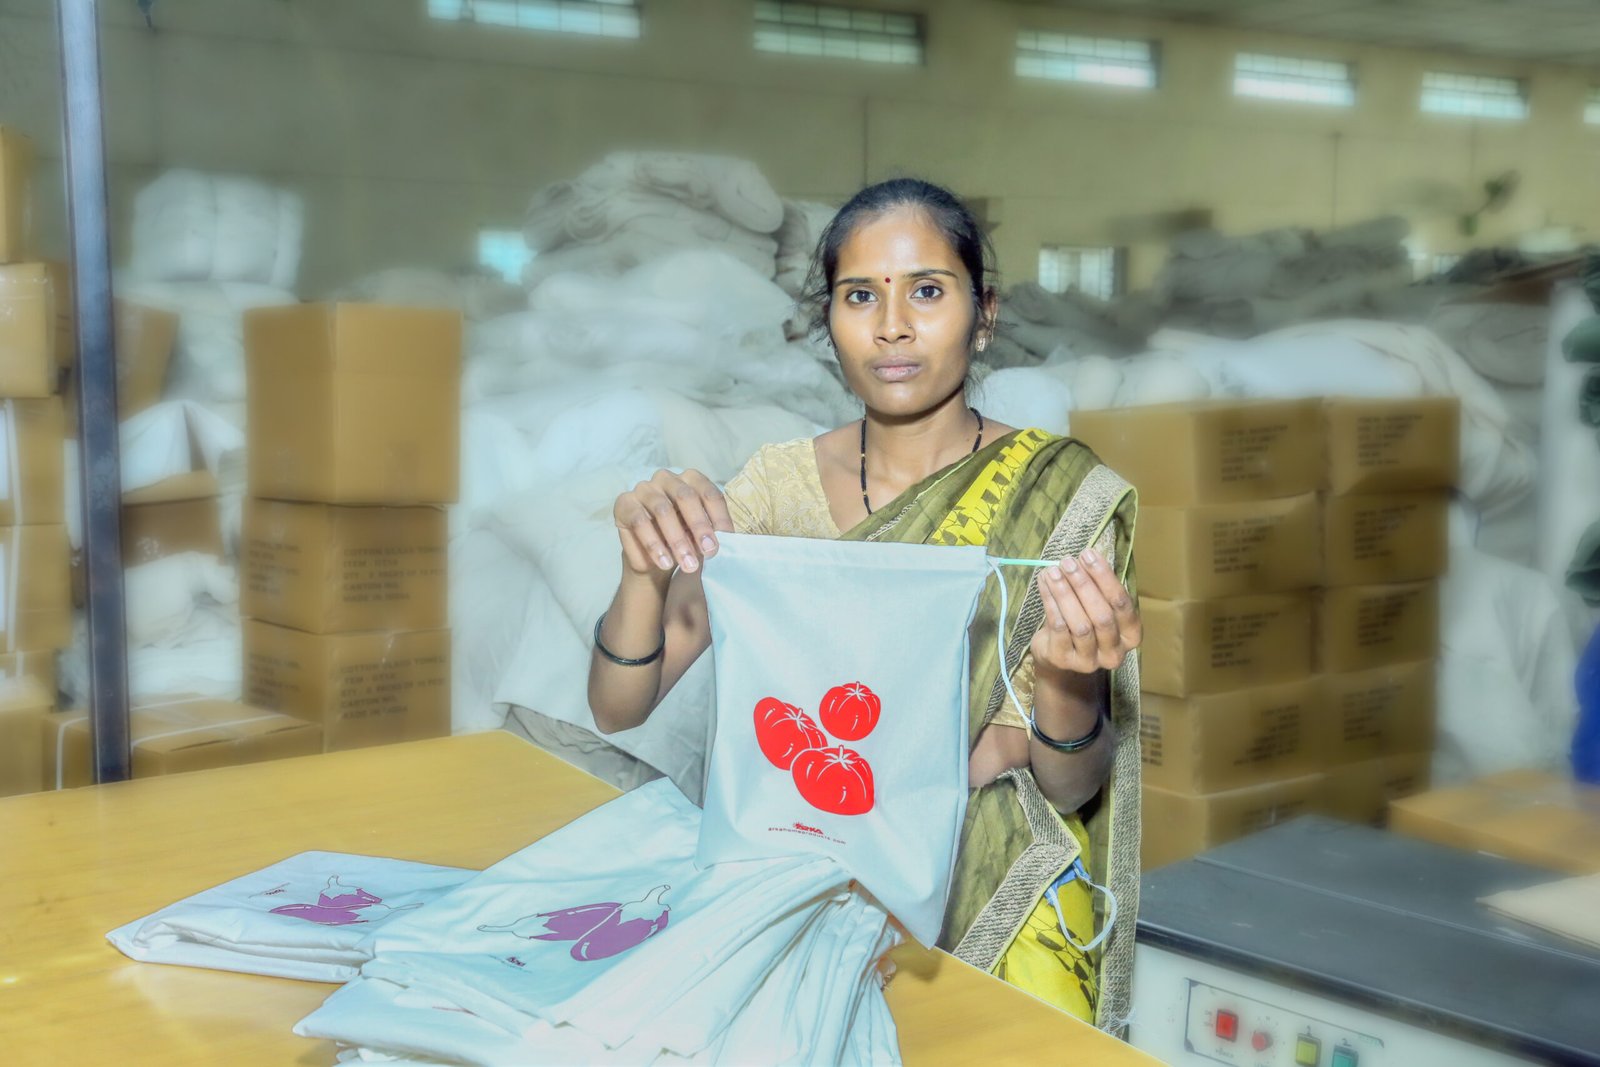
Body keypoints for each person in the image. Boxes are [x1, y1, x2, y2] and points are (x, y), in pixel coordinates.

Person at [586, 178, 1142, 1031]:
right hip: (793, 861)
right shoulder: (779, 484)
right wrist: (641, 569)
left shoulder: (1057, 494)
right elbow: (619, 705)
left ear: (982, 313)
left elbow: (1071, 786)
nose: (892, 326)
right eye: (859, 295)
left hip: (981, 882)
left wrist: (1066, 685)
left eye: (927, 290)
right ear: (829, 320)